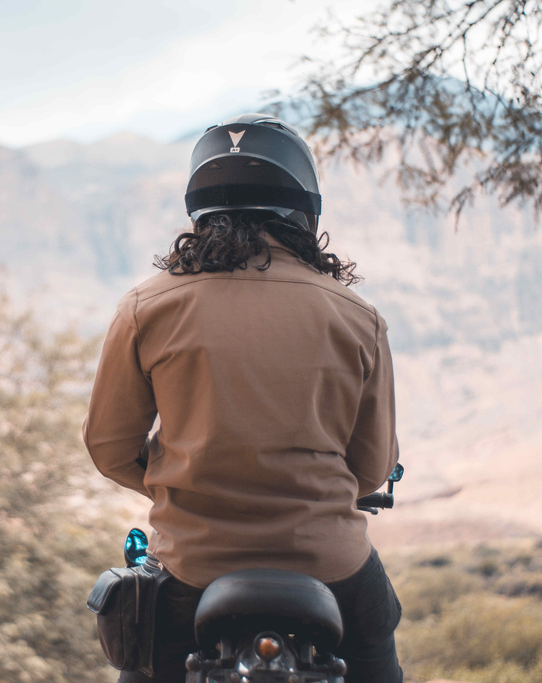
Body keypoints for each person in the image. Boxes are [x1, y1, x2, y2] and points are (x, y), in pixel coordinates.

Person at [83, 114, 403, 683]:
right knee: (379, 646)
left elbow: (109, 447)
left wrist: (177, 480)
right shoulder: (357, 317)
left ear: (199, 210)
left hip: (191, 569)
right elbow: (372, 467)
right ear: (303, 208)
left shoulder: (146, 308)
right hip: (331, 565)